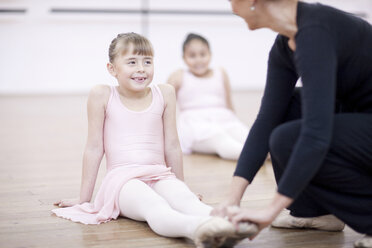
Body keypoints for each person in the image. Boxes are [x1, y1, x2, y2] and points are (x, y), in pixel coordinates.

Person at [52, 32, 257, 248]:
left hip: (159, 174)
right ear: (112, 69)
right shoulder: (102, 95)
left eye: (147, 61)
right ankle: (199, 229)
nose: (141, 68)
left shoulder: (164, 93)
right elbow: (94, 149)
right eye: (132, 62)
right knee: (155, 206)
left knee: (185, 201)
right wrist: (83, 199)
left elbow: (172, 145)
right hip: (123, 181)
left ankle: (232, 224)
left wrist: (182, 185)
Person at [212, 1, 372, 247]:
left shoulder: (315, 30)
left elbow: (316, 135)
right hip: (359, 116)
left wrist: (270, 211)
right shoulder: (285, 46)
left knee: (289, 138)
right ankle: (314, 213)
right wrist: (232, 198)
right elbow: (266, 120)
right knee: (287, 107)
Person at [167, 33, 249, 160]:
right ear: (184, 58)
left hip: (225, 119)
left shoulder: (220, 73)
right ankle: (253, 156)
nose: (198, 60)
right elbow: (165, 106)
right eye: (192, 55)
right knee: (219, 139)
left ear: (210, 54)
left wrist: (234, 120)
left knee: (247, 136)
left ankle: (267, 153)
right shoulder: (179, 76)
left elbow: (228, 103)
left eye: (203, 54)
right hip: (195, 125)